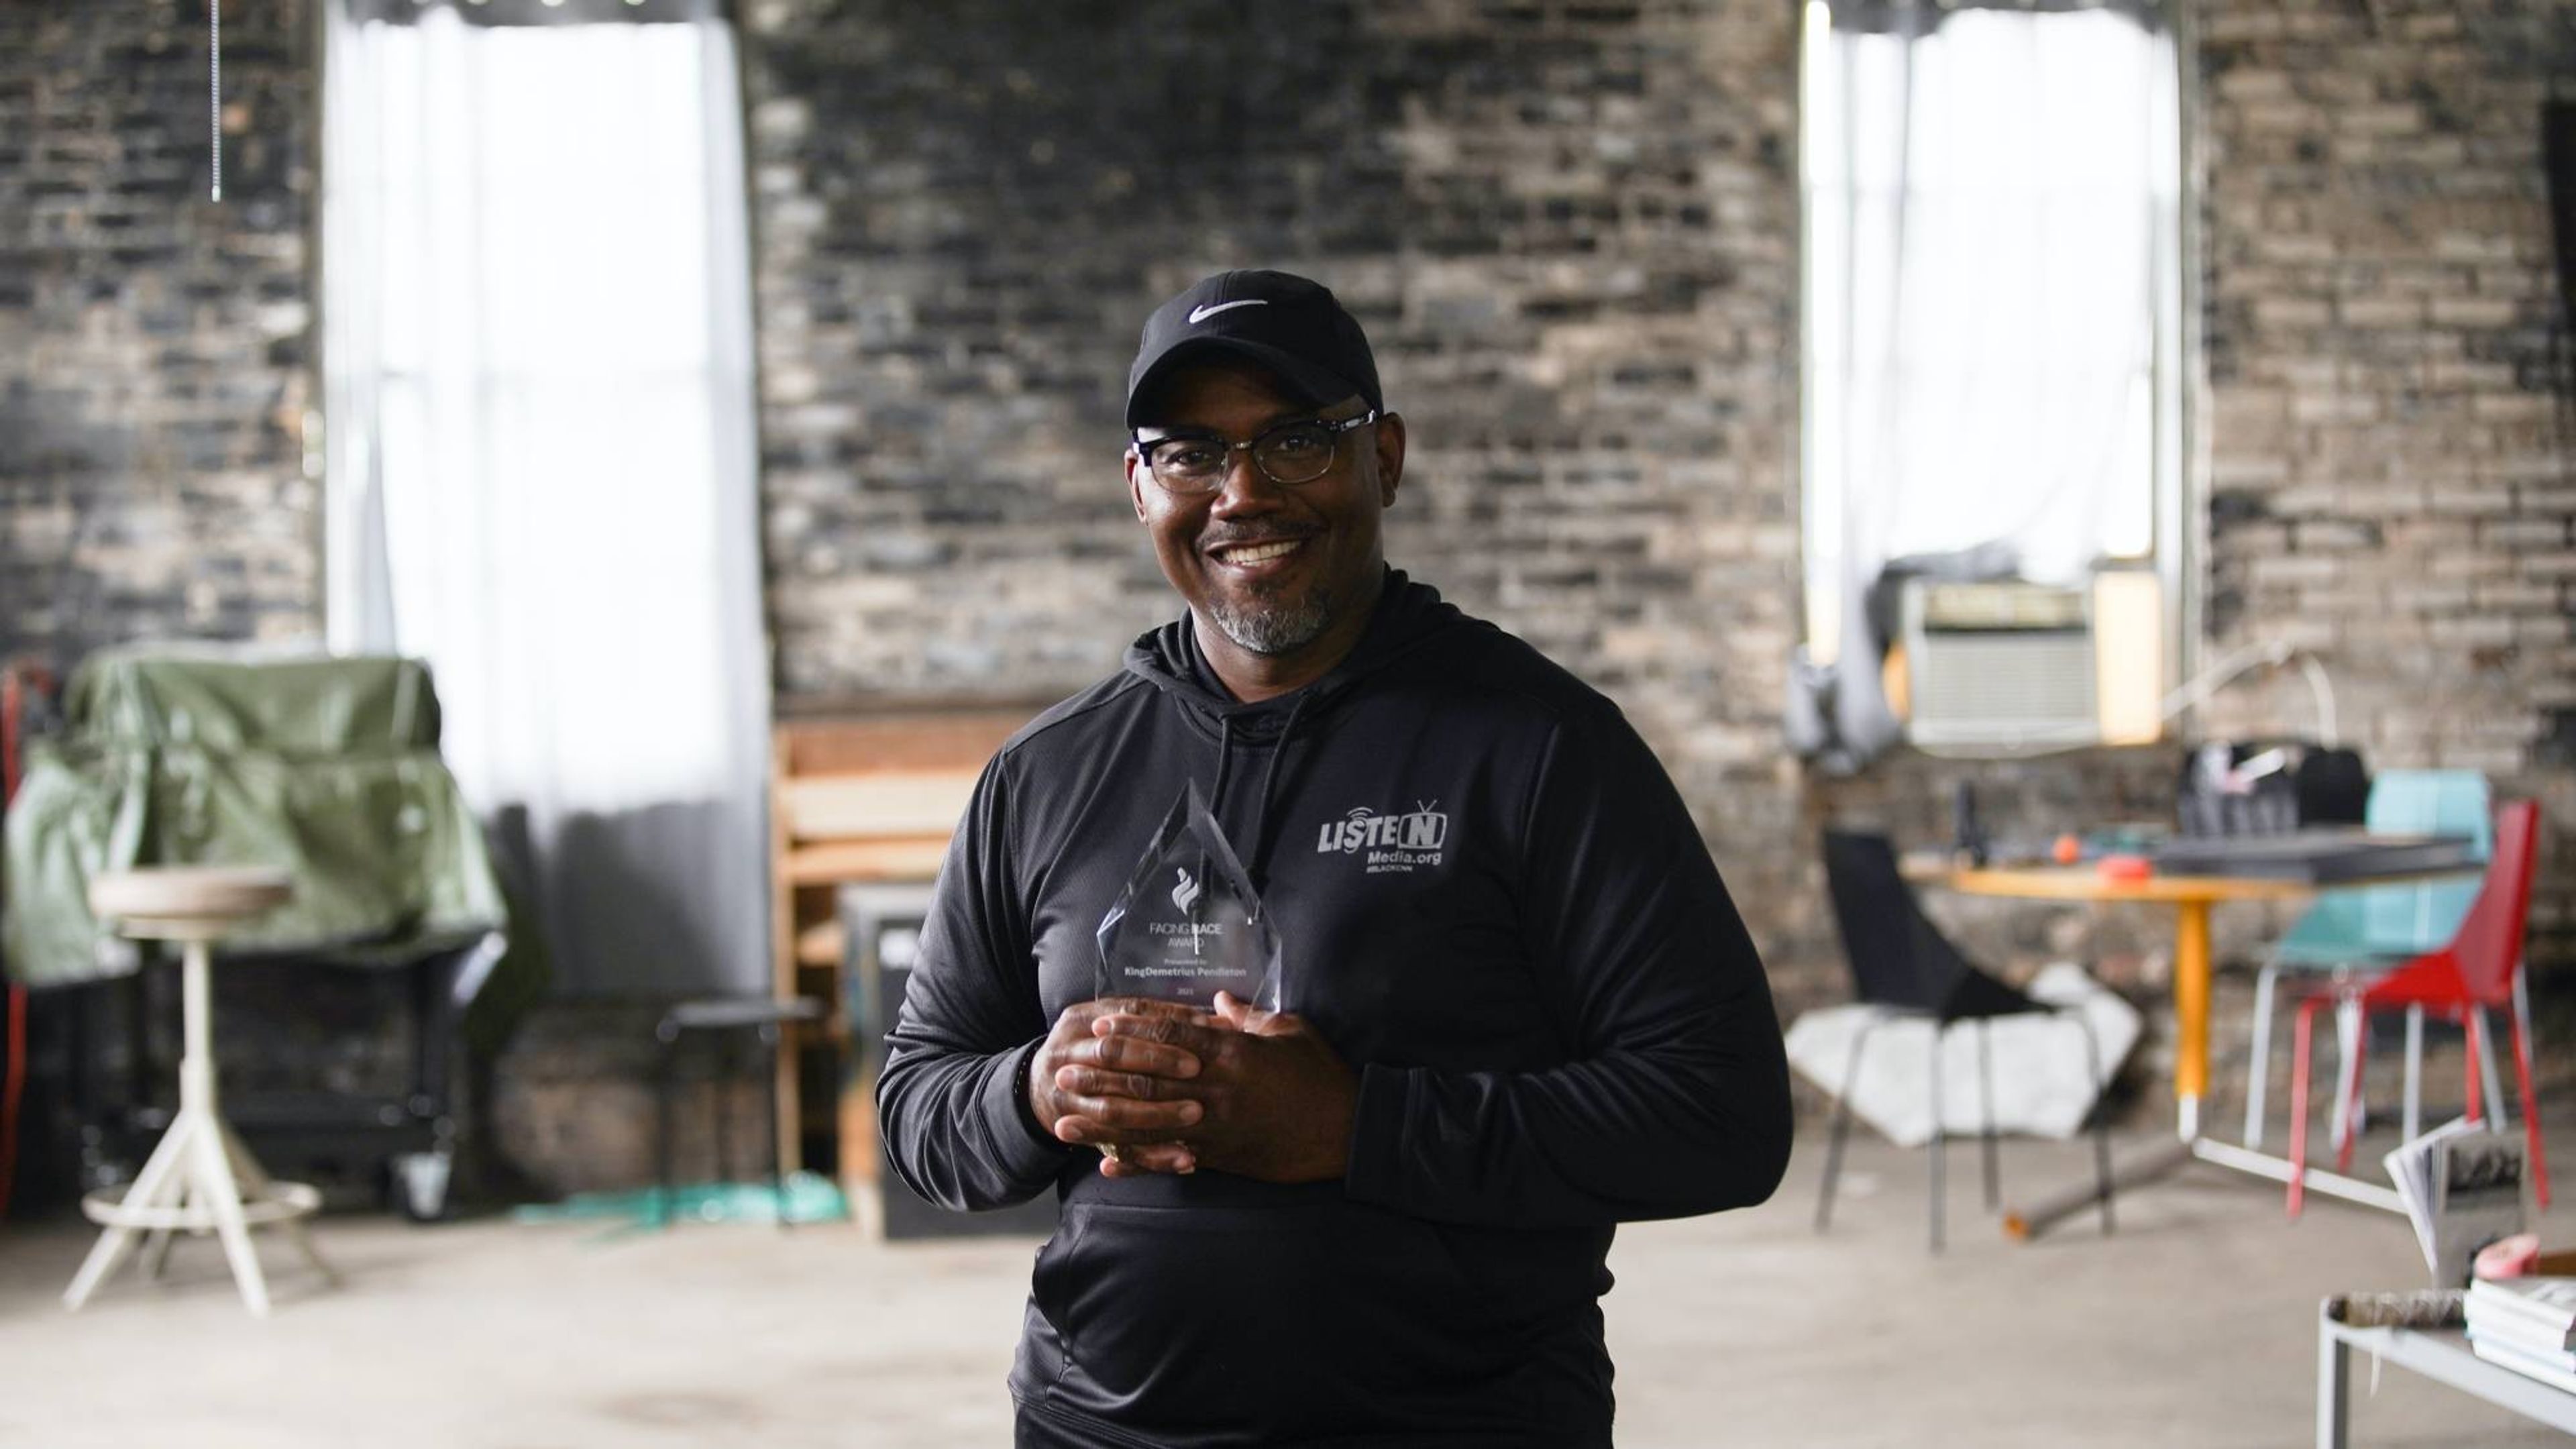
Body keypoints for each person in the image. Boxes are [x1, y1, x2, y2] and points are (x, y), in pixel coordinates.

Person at [877, 268, 1792, 1448]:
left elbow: (1721, 1117)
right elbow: (915, 1102)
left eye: (1298, 440)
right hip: (1094, 1427)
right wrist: (1034, 1091)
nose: (1242, 493)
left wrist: (1358, 1128)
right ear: (1138, 487)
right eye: (1191, 453)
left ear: (1388, 459)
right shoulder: (1046, 774)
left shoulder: (1541, 747)